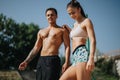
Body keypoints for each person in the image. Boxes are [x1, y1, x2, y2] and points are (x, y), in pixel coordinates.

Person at [18, 8, 70, 80]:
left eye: (52, 15)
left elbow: (67, 46)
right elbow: (36, 48)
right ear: (46, 17)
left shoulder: (62, 30)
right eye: (48, 15)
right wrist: (26, 61)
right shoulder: (41, 31)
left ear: (56, 16)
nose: (50, 17)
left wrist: (67, 62)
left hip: (53, 60)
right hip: (41, 60)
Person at [59, 0, 96, 80]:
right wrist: (68, 29)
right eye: (69, 14)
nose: (71, 15)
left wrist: (91, 58)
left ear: (79, 9)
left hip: (82, 54)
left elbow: (93, 40)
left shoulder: (86, 21)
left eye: (73, 12)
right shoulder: (75, 25)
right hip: (75, 58)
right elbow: (76, 35)